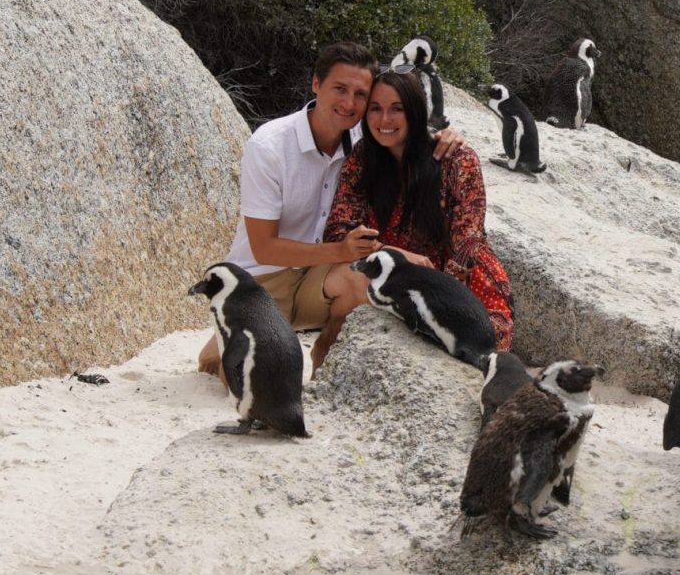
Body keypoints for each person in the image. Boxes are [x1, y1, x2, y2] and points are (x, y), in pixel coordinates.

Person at [198, 42, 465, 377]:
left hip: (319, 279)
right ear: (315, 84)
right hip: (260, 281)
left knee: (368, 283)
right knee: (256, 374)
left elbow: (403, 130)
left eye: (359, 94)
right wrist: (341, 249)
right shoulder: (269, 146)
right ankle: (225, 344)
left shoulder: (363, 136)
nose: (349, 103)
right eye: (340, 89)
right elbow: (263, 247)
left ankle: (326, 354)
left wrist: (445, 135)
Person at [322, 68, 515, 351]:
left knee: (475, 357)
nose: (384, 120)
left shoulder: (456, 159)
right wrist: (393, 255)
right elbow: (339, 230)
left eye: (397, 109)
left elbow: (467, 244)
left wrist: (439, 303)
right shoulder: (363, 159)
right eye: (375, 108)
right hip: (394, 278)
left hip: (460, 286)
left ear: (415, 111)